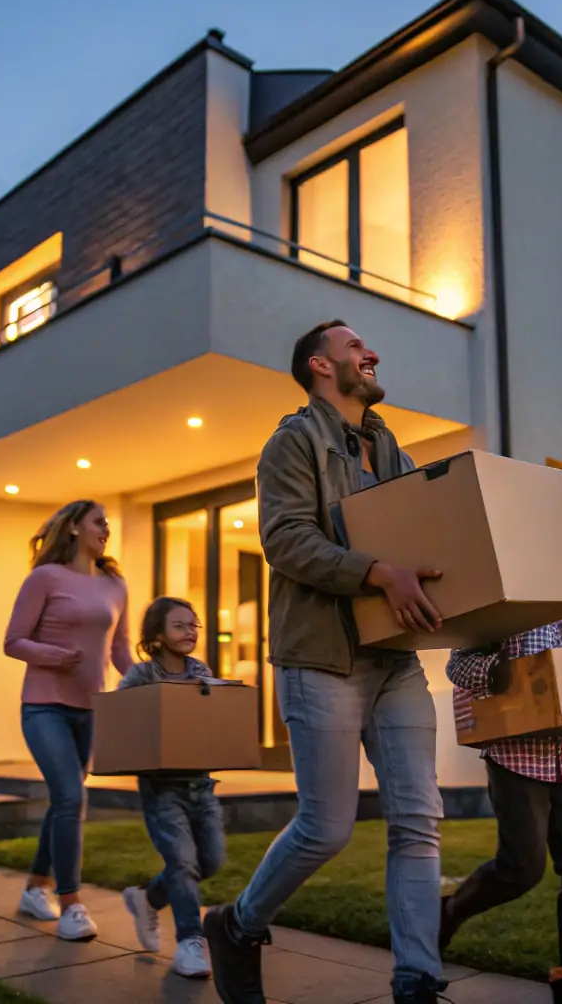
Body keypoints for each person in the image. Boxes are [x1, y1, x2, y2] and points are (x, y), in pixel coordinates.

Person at [204, 320, 448, 1004]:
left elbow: (409, 530)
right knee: (327, 825)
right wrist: (377, 573)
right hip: (322, 658)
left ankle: (417, 980)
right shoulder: (294, 440)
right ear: (319, 365)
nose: (370, 354)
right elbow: (285, 539)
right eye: (353, 348)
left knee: (417, 818)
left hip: (395, 660)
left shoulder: (385, 442)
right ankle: (238, 925)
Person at [441, 617, 562, 1004]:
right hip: (515, 754)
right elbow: (457, 665)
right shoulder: (502, 608)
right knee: (521, 869)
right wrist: (500, 669)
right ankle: (449, 911)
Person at [4, 499, 135, 941]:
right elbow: (13, 641)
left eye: (108, 524)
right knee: (69, 797)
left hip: (90, 709)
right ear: (75, 528)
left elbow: (120, 648)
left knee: (65, 798)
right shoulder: (44, 578)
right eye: (99, 522)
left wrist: (143, 681)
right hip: (44, 705)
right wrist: (54, 656)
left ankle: (34, 887)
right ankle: (72, 905)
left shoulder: (115, 584)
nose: (106, 529)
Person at [119, 596, 226, 980]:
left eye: (194, 625)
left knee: (210, 861)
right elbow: (122, 720)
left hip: (202, 784)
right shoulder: (141, 676)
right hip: (162, 789)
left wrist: (210, 694)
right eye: (180, 626)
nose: (189, 632)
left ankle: (148, 898)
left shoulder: (202, 671)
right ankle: (190, 942)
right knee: (182, 862)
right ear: (158, 635)